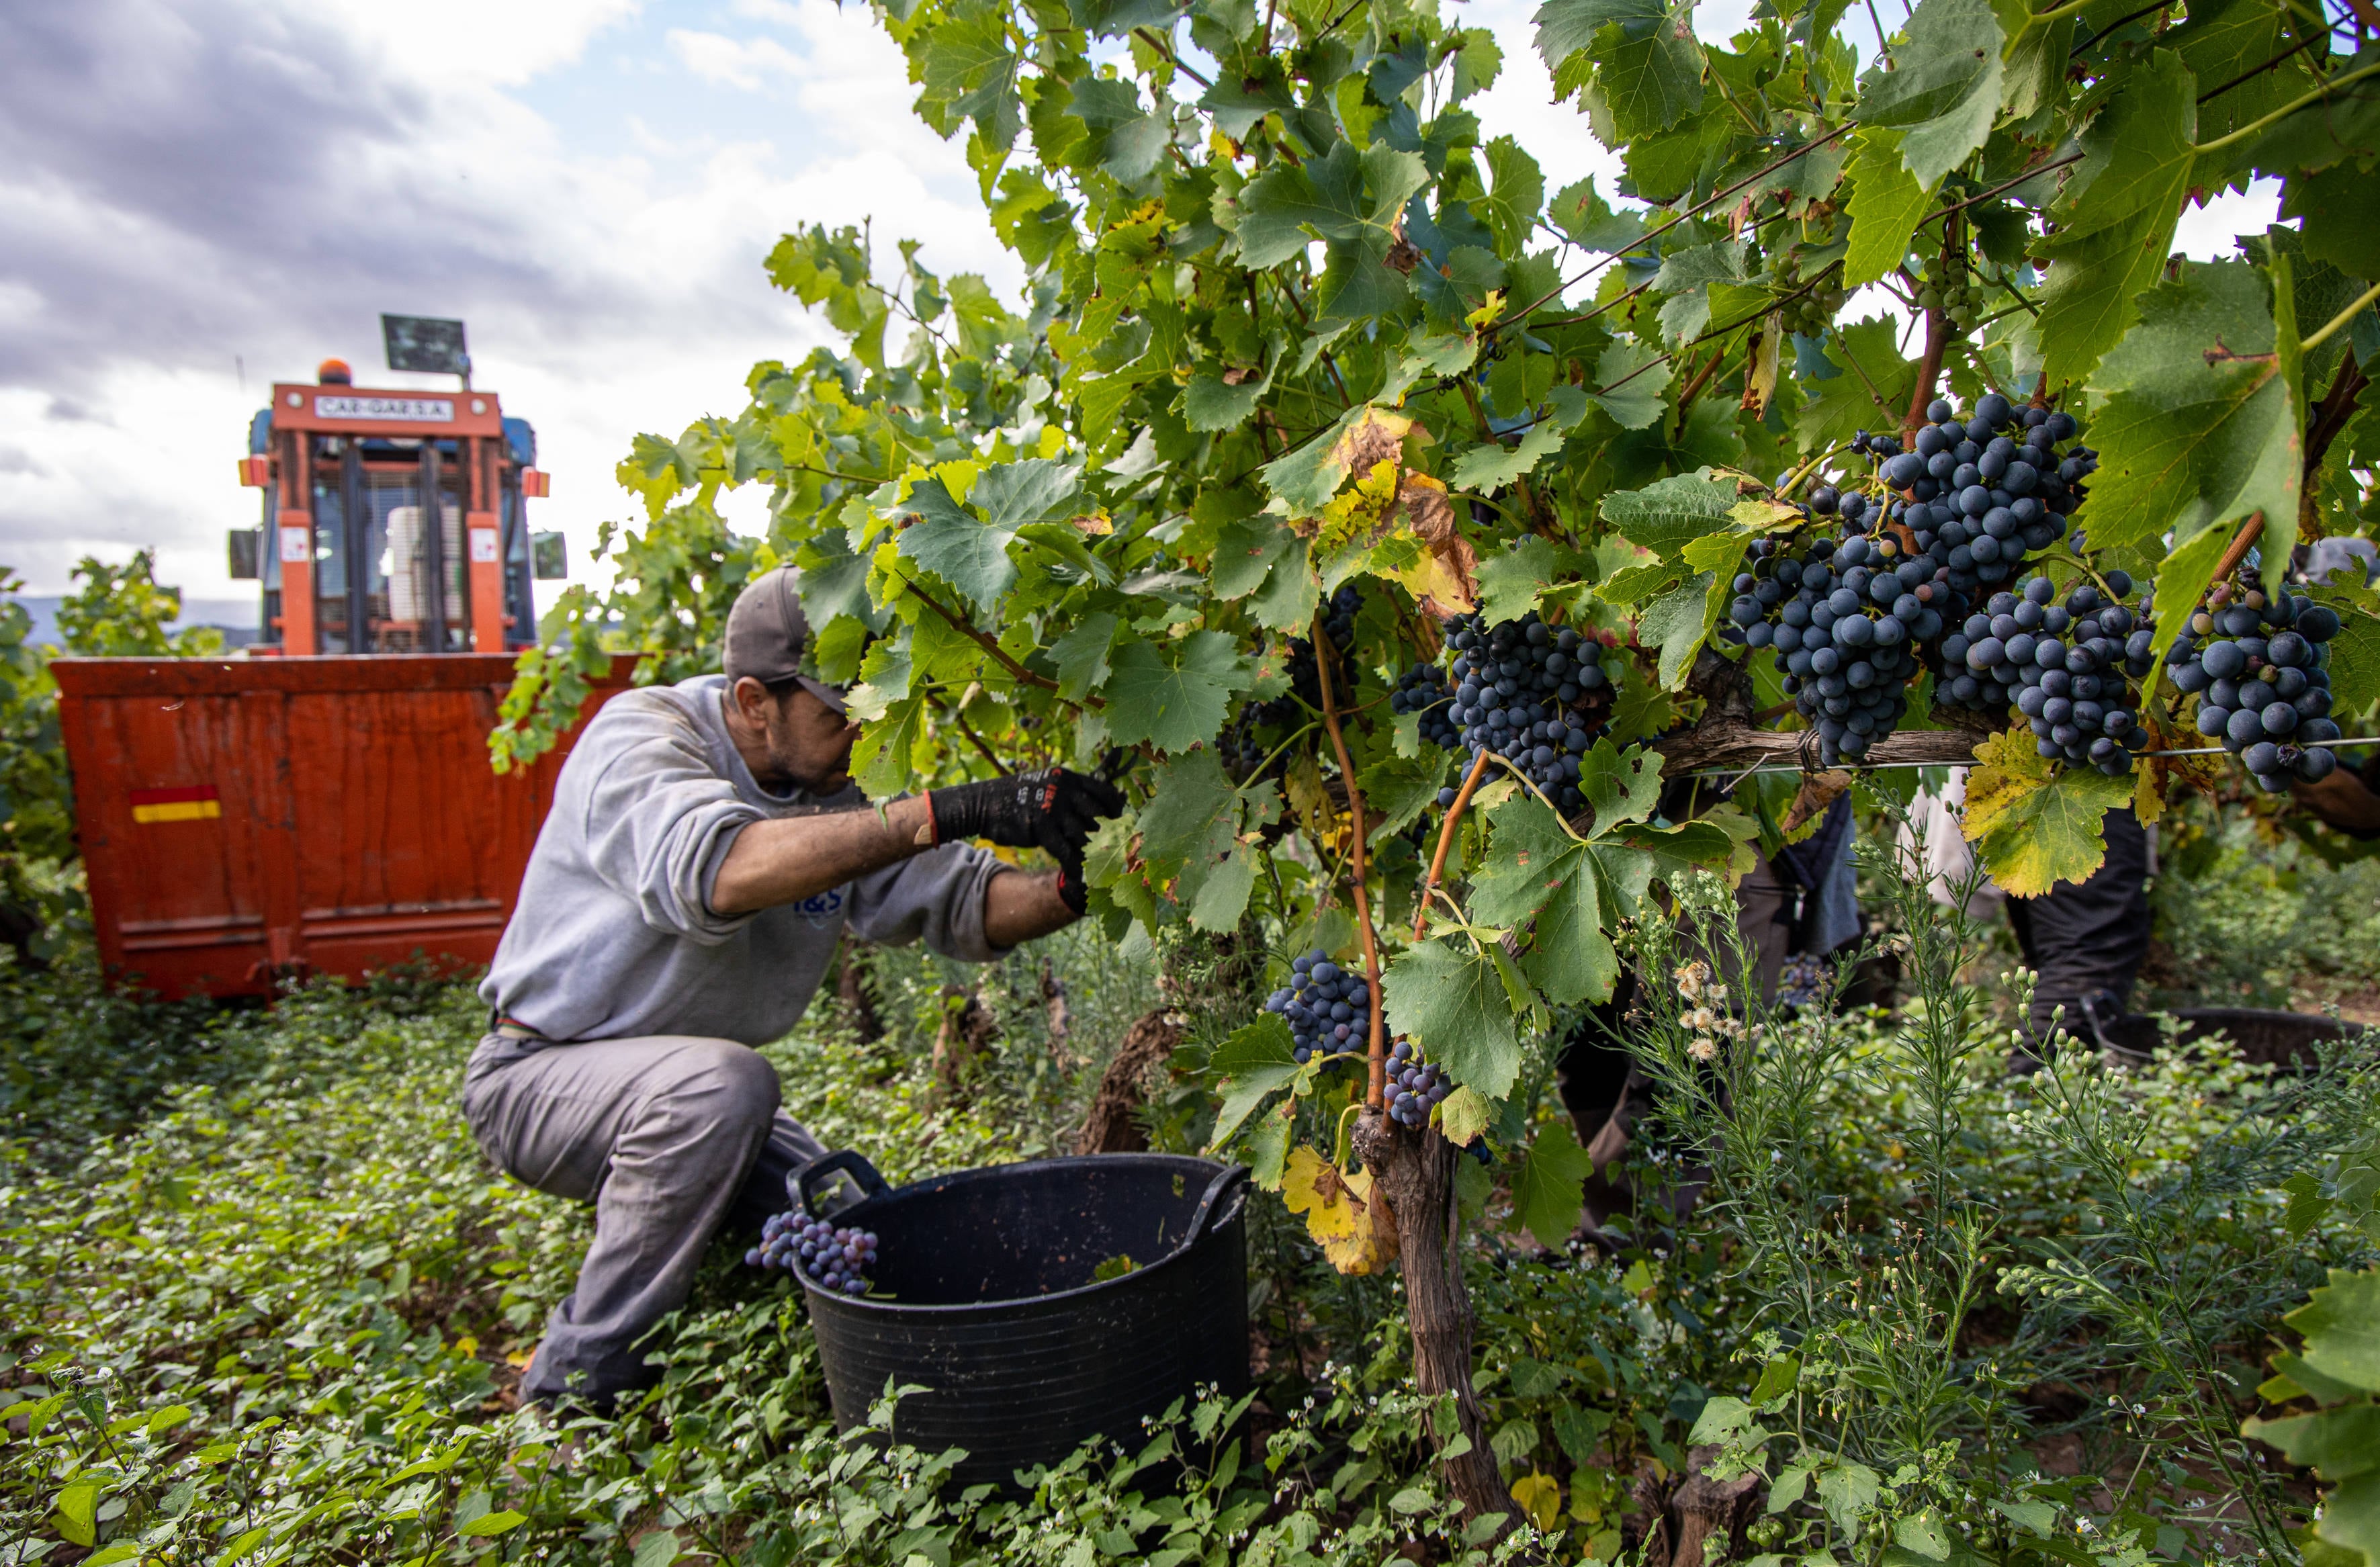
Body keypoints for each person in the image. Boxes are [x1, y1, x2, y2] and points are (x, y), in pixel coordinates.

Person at [464, 566, 1124, 1411]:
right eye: (837, 711)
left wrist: (1084, 884)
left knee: (859, 1223)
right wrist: (949, 806)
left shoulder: (833, 788)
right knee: (725, 1089)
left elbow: (961, 903)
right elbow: (720, 871)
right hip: (538, 1076)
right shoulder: (640, 737)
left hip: (683, 1096)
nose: (861, 730)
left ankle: (807, 1367)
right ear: (752, 700)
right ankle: (571, 1392)